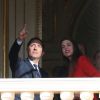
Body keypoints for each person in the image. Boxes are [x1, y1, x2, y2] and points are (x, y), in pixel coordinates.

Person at [9, 25, 48, 100]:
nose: (35, 48)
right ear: (28, 49)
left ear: (42, 53)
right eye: (32, 45)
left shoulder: (44, 73)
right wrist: (20, 39)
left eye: (38, 46)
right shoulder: (19, 64)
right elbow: (12, 54)